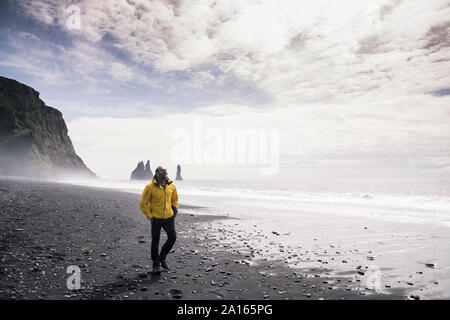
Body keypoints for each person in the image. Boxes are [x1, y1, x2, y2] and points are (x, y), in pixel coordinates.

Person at [139, 166, 179, 275]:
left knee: (172, 238)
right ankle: (155, 264)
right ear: (156, 173)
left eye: (166, 170)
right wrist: (150, 216)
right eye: (162, 170)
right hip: (156, 219)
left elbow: (175, 200)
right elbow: (143, 204)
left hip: (169, 218)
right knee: (155, 242)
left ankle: (162, 257)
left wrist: (174, 211)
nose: (165, 171)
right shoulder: (150, 187)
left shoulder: (171, 186)